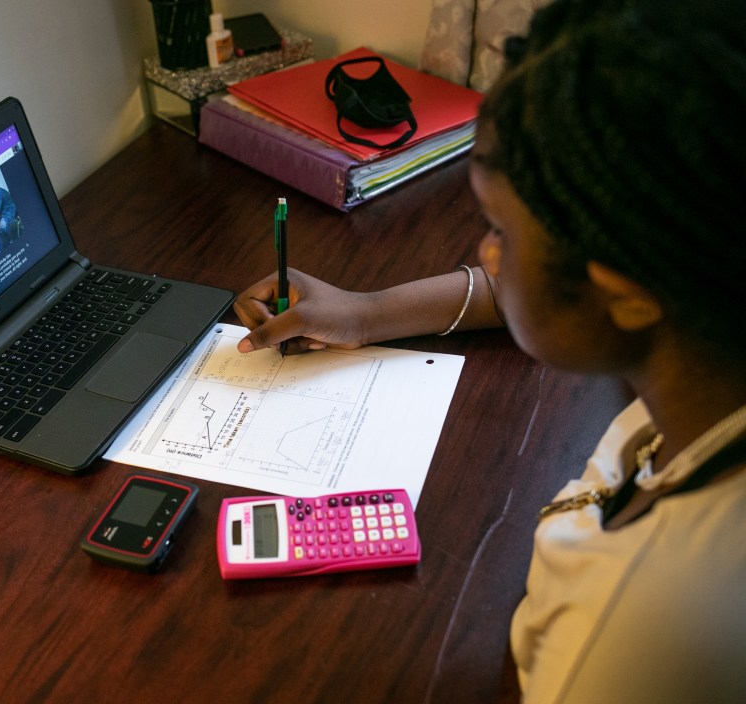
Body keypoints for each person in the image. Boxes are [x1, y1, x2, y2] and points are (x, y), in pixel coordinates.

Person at [233, 1, 746, 701]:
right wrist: (367, 312)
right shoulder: (708, 328)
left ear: (627, 291)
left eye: (503, 229)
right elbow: (527, 292)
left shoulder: (638, 631)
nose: (487, 251)